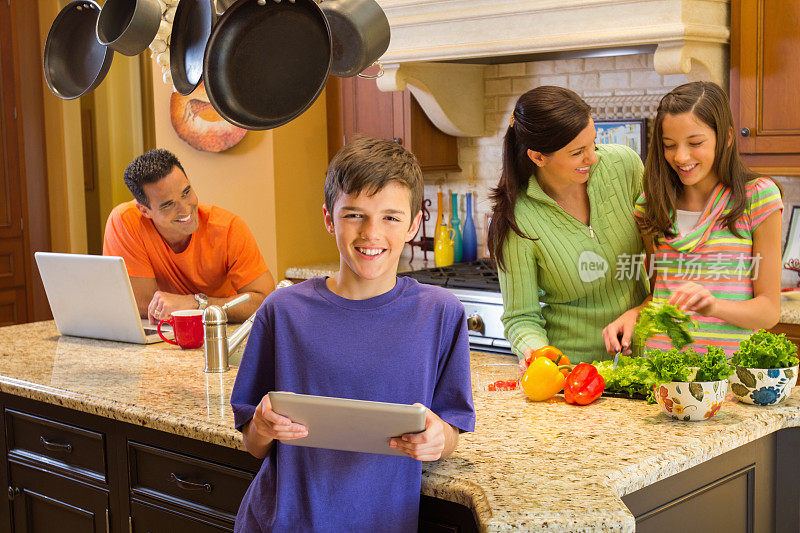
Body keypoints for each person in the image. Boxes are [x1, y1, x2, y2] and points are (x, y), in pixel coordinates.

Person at [229, 135, 475, 532]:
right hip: (281, 522)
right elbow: (254, 442)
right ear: (329, 218)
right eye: (354, 215)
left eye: (391, 217)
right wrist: (261, 426)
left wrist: (439, 440)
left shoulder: (441, 314)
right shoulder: (283, 310)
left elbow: (450, 429)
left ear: (414, 224)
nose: (371, 233)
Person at [604, 81, 783, 355]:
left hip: (729, 379)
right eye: (669, 145)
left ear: (726, 137)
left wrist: (714, 306)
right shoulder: (650, 206)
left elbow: (769, 310)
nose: (681, 156)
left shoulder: (757, 197)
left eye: (695, 142)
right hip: (661, 374)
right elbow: (661, 293)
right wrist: (636, 313)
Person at [488, 86, 649, 364]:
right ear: (538, 157)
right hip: (574, 375)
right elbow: (521, 319)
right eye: (577, 152)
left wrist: (643, 310)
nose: (593, 157)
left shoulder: (625, 167)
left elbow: (668, 252)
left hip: (646, 360)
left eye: (593, 143)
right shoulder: (516, 222)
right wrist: (539, 356)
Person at [103, 149, 274, 323]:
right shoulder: (126, 221)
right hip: (162, 336)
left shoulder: (229, 228)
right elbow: (142, 305)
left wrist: (195, 304)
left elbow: (267, 303)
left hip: (219, 329)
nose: (185, 209)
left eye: (186, 192)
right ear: (145, 211)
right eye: (168, 204)